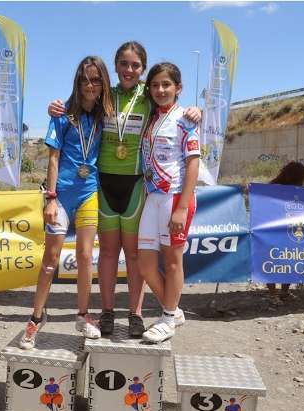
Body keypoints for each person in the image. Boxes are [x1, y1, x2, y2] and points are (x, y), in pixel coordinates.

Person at [49, 42, 201, 338]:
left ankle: (135, 313)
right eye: (123, 64)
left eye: (135, 65)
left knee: (134, 255)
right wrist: (56, 107)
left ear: (142, 68)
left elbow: (174, 107)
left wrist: (196, 110)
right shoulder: (106, 93)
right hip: (104, 182)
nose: (129, 70)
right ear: (115, 65)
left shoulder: (148, 95)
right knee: (107, 252)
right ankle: (107, 312)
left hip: (135, 184)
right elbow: (80, 99)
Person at [18, 56, 114, 350]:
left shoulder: (105, 115)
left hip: (88, 193)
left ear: (103, 83)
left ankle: (83, 316)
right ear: (77, 82)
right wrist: (50, 198)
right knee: (50, 260)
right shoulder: (62, 115)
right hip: (60, 196)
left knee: (85, 256)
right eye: (85, 80)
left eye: (95, 80)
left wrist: (195, 110)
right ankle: (36, 318)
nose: (90, 85)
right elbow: (53, 159)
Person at [137, 62, 200, 344]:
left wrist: (182, 207)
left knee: (173, 262)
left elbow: (193, 163)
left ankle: (167, 319)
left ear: (178, 88)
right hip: (152, 198)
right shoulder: (152, 118)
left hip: (175, 197)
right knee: (145, 265)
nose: (160, 90)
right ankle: (173, 311)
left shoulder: (186, 119)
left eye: (166, 84)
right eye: (155, 85)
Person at [267, 161, 304, 300]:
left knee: (272, 259)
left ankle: (274, 292)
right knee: (289, 259)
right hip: (287, 230)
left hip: (273, 230)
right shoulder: (296, 190)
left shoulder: (271, 188)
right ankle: (282, 292)